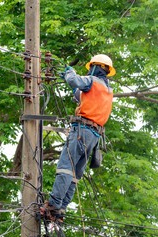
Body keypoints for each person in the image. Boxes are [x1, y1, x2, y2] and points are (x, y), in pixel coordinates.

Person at [41, 54, 116, 222]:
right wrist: (72, 83)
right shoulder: (107, 90)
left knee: (65, 167)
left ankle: (53, 204)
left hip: (81, 131)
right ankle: (60, 209)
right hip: (93, 137)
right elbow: (81, 94)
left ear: (95, 67)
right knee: (74, 174)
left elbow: (76, 81)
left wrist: (70, 73)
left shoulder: (91, 80)